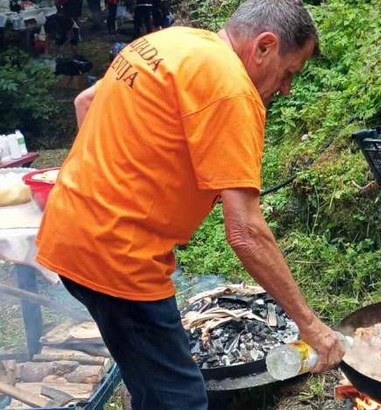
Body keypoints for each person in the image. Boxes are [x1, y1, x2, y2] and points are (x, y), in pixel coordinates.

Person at [34, 1, 346, 409]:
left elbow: (86, 103)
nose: (285, 88)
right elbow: (245, 232)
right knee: (181, 399)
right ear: (264, 46)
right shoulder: (232, 89)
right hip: (118, 260)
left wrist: (113, 180)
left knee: (150, 381)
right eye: (289, 74)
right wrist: (312, 326)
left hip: (68, 231)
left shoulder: (172, 42)